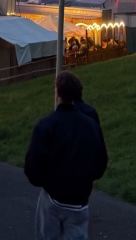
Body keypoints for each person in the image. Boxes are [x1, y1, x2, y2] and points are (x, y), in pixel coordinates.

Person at [24, 72, 108, 240]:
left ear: (58, 92)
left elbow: (33, 166)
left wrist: (46, 181)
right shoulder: (91, 126)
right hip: (79, 198)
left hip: (52, 196)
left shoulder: (46, 126)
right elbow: (100, 163)